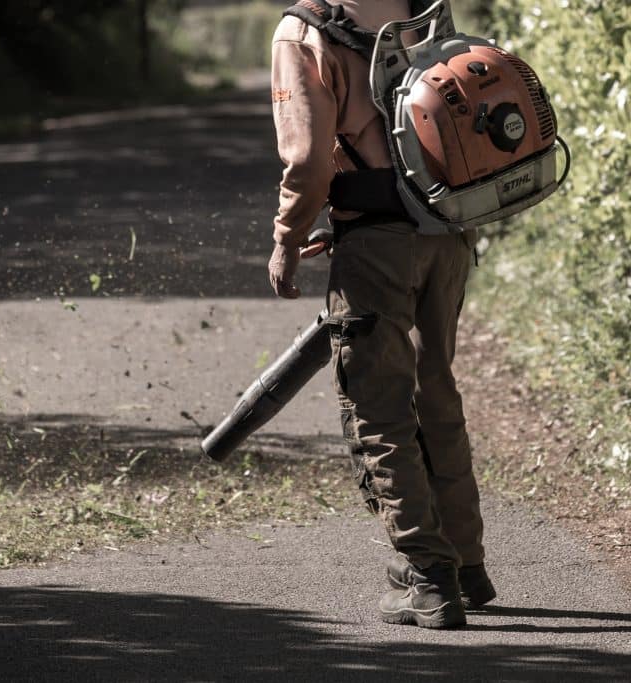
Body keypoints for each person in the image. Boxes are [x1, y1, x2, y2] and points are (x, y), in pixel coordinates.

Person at [267, 0, 495, 629]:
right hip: (447, 229)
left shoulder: (303, 31)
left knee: (379, 402)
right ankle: (466, 562)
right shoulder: (416, 6)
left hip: (378, 245)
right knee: (436, 389)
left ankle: (428, 576)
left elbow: (310, 160)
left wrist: (287, 237)